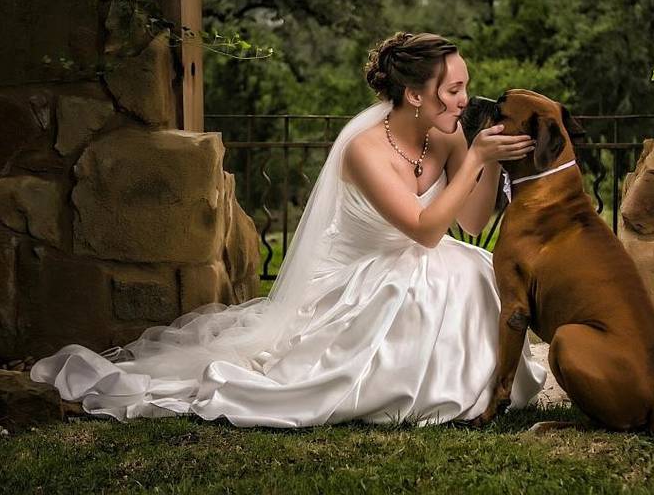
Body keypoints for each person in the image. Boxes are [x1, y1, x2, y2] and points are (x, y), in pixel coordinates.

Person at [29, 31, 548, 428]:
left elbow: (471, 221)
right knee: (417, 287)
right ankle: (412, 387)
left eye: (465, 88)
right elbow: (424, 231)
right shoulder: (365, 149)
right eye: (453, 89)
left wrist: (490, 162)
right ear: (414, 94)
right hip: (357, 278)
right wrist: (477, 154)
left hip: (418, 257)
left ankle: (479, 386)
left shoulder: (450, 134)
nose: (463, 100)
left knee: (474, 272)